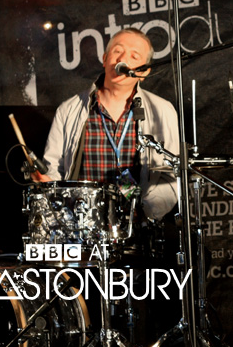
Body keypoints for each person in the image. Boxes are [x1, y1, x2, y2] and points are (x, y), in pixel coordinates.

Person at [34, 27, 179, 221]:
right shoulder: (68, 110)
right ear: (105, 59)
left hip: (137, 227)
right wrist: (48, 184)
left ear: (144, 72)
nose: (122, 59)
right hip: (82, 225)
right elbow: (54, 170)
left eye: (134, 56)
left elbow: (171, 176)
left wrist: (144, 212)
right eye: (117, 51)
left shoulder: (162, 110)